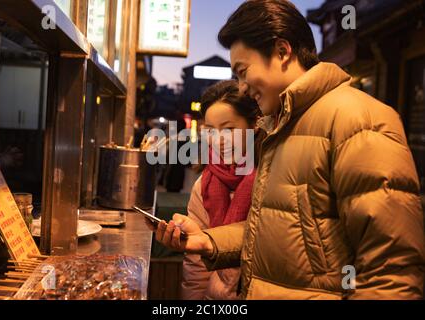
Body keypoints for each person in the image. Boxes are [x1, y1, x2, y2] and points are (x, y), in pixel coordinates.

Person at [149, 0, 425, 300]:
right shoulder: (280, 129)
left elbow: (393, 275)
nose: (241, 88)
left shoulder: (358, 119)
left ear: (282, 51)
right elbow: (272, 231)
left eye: (243, 71)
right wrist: (208, 242)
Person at [182, 80, 264, 300]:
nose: (218, 141)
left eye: (229, 129)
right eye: (210, 130)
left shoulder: (271, 178)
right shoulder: (204, 184)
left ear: (254, 124)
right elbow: (196, 265)